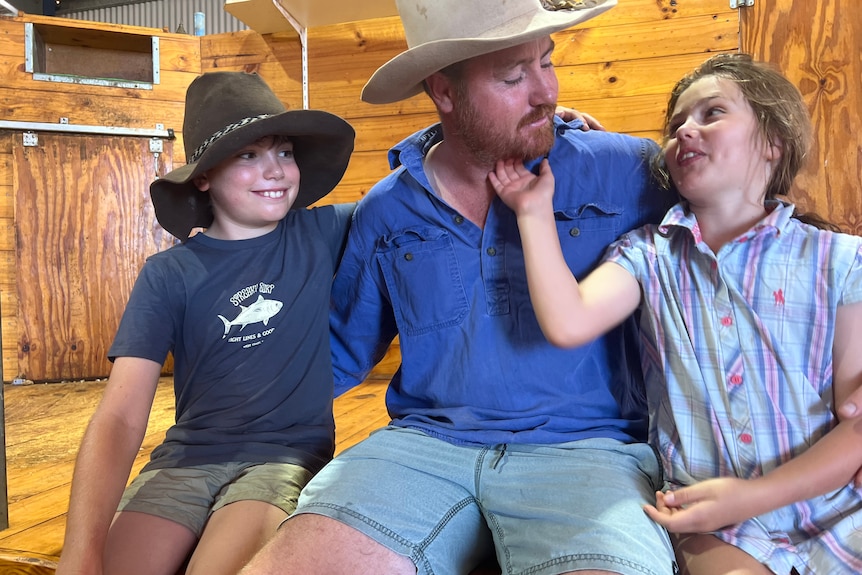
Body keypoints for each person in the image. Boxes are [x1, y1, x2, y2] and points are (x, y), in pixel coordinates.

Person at [243, 1, 681, 574]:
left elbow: (738, 245)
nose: (545, 92)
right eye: (512, 76)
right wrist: (229, 416)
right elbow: (338, 353)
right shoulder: (389, 208)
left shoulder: (628, 171)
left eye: (546, 63)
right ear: (443, 92)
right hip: (421, 448)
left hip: (590, 453)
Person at [491, 53, 862, 574]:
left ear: (774, 142)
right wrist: (532, 212)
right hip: (712, 518)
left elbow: (856, 423)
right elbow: (567, 320)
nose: (686, 129)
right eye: (676, 124)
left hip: (836, 504)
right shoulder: (647, 254)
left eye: (712, 113)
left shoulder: (840, 261)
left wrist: (753, 495)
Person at [56, 71, 355, 575]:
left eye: (285, 152)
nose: (277, 170)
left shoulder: (321, 233)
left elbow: (406, 194)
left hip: (281, 459)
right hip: (185, 460)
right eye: (248, 154)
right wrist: (79, 548)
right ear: (203, 176)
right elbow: (121, 416)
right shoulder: (168, 275)